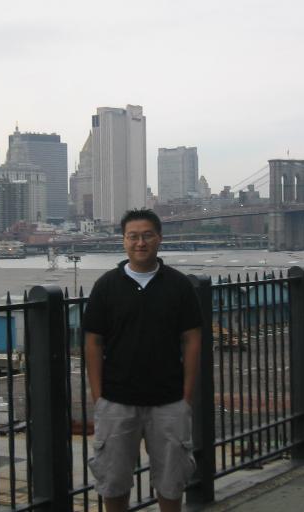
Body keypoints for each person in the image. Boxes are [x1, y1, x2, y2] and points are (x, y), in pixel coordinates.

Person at [83, 208, 202, 512]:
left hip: (169, 400)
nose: (140, 243)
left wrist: (186, 396)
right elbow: (93, 342)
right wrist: (99, 398)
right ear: (123, 240)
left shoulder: (179, 285)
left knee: (172, 483)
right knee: (113, 482)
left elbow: (192, 339)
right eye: (133, 236)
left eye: (147, 235)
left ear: (159, 238)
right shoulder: (106, 286)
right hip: (116, 400)